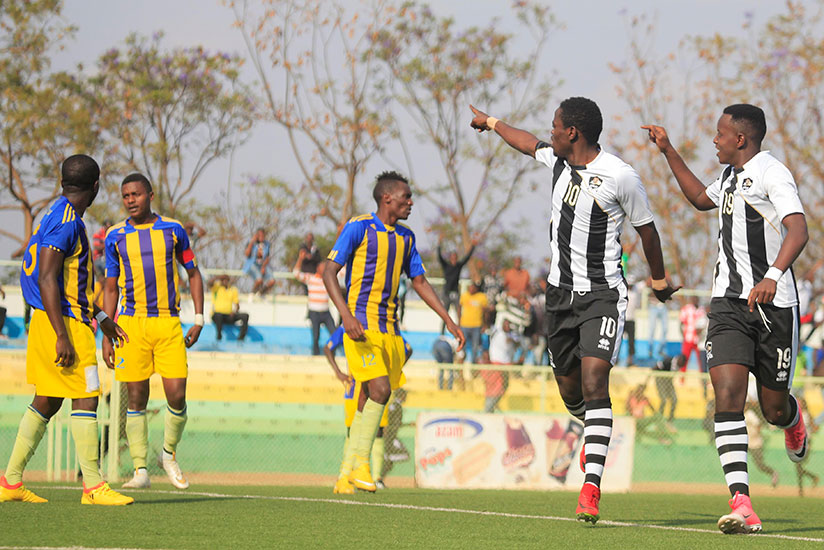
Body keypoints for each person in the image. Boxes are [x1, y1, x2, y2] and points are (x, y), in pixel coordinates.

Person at [471, 97, 678, 524]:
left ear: (573, 133)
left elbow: (648, 232)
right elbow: (526, 142)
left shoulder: (621, 176)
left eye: (554, 126)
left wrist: (658, 281)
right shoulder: (558, 163)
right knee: (570, 392)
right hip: (559, 299)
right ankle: (593, 430)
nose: (549, 132)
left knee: (594, 381)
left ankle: (590, 487)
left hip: (602, 296)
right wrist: (492, 122)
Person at [645, 103, 809, 534]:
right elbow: (701, 199)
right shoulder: (730, 178)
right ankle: (742, 502)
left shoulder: (773, 173)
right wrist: (668, 151)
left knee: (772, 408)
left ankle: (792, 420)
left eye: (720, 134)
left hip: (774, 306)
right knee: (729, 398)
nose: (714, 140)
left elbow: (798, 229)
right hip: (728, 306)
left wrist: (772, 275)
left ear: (741, 139)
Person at [0, 155, 133, 505]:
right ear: (95, 186)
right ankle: (93, 487)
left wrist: (103, 318)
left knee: (48, 399)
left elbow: (64, 280)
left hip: (53, 318)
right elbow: (47, 277)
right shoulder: (66, 222)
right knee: (87, 395)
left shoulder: (56, 213)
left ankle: (10, 482)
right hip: (63, 323)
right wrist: (62, 334)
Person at [322, 170, 465, 492]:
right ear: (387, 198)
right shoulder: (358, 227)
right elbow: (329, 272)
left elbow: (420, 281)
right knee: (381, 391)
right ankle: (361, 464)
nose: (411, 203)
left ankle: (346, 473)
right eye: (406, 197)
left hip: (391, 331)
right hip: (361, 326)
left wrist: (449, 319)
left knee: (365, 396)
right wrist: (345, 315)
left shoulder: (406, 237)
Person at [102, 172, 205, 490]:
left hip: (168, 322)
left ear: (150, 194)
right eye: (125, 196)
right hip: (130, 325)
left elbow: (193, 272)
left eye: (136, 194)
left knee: (177, 394)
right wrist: (107, 331)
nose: (130, 200)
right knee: (136, 397)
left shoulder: (173, 230)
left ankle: (168, 454)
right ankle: (140, 471)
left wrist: (199, 318)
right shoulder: (114, 235)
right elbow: (110, 285)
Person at [324, 326, 412, 493]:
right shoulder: (348, 326)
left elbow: (407, 349)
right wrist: (339, 373)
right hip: (354, 387)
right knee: (352, 433)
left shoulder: (384, 326)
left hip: (377, 387)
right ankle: (345, 476)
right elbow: (328, 347)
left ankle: (376, 477)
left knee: (377, 432)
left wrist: (390, 371)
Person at [293, 248, 336, 355]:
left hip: (326, 312)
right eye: (323, 267)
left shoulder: (328, 279)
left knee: (334, 334)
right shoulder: (311, 278)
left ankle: (332, 354)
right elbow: (296, 273)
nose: (325, 268)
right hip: (314, 312)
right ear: (318, 269)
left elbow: (343, 273)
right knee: (316, 336)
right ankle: (315, 355)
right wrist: (300, 259)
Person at [482, 319, 521, 413]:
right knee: (497, 388)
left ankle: (493, 405)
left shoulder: (509, 336)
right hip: (497, 364)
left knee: (504, 386)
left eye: (509, 325)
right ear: (502, 325)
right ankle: (489, 408)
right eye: (506, 325)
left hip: (504, 365)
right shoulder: (497, 333)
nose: (507, 327)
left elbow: (517, 344)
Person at [437, 237, 476, 333]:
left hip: (456, 293)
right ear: (450, 258)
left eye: (455, 257)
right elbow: (439, 257)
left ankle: (460, 331)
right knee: (444, 313)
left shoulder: (459, 266)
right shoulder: (446, 266)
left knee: (458, 313)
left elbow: (467, 258)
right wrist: (439, 244)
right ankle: (442, 333)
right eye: (452, 257)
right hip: (446, 293)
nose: (454, 259)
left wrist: (473, 246)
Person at [211, 274, 249, 341]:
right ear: (221, 281)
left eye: (226, 280)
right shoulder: (216, 288)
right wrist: (218, 277)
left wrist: (234, 312)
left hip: (228, 316)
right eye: (223, 280)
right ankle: (219, 335)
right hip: (217, 316)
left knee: (245, 316)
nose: (225, 281)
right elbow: (209, 283)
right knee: (218, 315)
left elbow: (237, 304)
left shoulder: (233, 290)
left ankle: (241, 338)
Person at [459, 280, 488, 363]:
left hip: (476, 325)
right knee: (462, 346)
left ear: (476, 289)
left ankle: (473, 365)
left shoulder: (482, 297)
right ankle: (461, 365)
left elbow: (485, 312)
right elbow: (459, 308)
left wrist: (485, 324)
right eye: (470, 287)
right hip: (464, 325)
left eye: (472, 288)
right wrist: (459, 320)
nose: (470, 289)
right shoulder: (464, 296)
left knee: (475, 347)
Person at [243, 228, 276, 296]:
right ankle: (252, 293)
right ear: (256, 235)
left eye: (263, 235)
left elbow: (267, 257)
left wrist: (263, 267)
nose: (261, 237)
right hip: (252, 264)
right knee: (259, 279)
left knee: (272, 281)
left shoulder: (267, 244)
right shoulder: (251, 243)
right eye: (259, 235)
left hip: (262, 265)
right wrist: (252, 242)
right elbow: (247, 254)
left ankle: (261, 293)